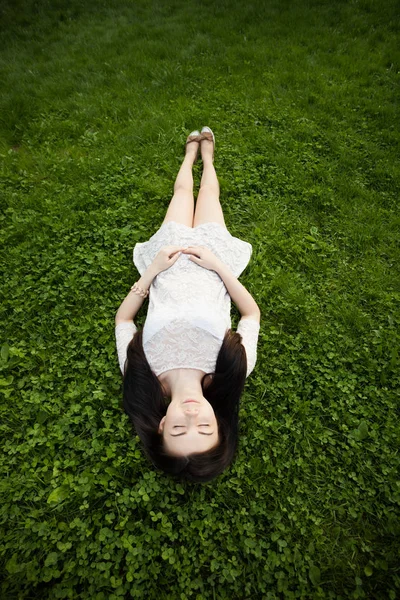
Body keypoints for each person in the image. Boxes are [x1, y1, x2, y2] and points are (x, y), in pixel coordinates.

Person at [115, 126, 260, 482]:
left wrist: (152, 270)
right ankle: (208, 157)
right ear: (221, 426)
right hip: (211, 260)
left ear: (162, 425)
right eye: (205, 428)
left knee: (182, 191)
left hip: (169, 259)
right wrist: (218, 265)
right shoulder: (232, 368)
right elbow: (251, 313)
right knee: (209, 192)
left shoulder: (143, 376)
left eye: (179, 429)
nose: (192, 416)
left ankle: (189, 155)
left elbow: (123, 322)